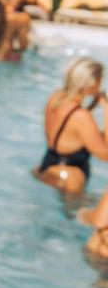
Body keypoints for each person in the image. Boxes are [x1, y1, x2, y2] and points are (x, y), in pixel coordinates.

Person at [34, 57, 108, 194]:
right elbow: (105, 155)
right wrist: (106, 108)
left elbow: (70, 134)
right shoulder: (81, 116)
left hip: (47, 164)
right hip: (70, 175)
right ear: (92, 82)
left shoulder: (56, 98)